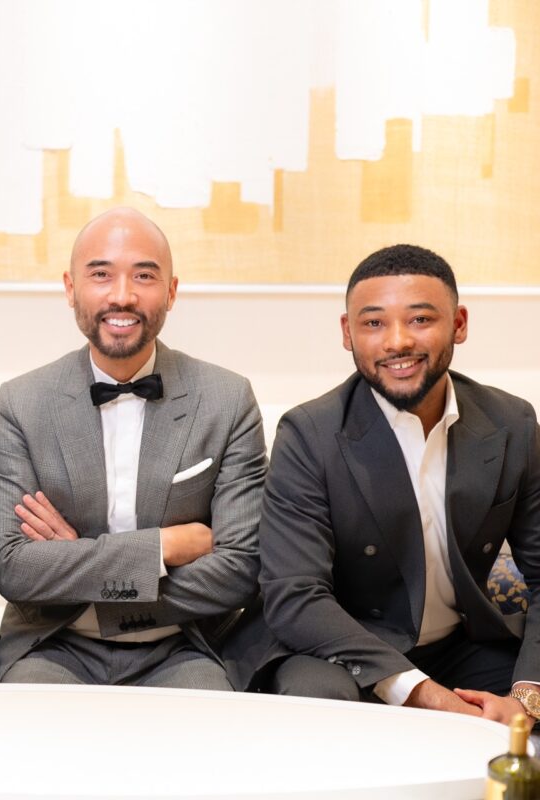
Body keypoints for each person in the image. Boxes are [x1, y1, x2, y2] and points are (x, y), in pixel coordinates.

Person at [223, 244, 539, 724]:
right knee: (320, 702)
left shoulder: (512, 422)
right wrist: (430, 698)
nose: (397, 341)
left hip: (459, 645)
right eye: (373, 323)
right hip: (337, 649)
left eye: (420, 319)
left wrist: (526, 699)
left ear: (459, 324)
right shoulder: (308, 433)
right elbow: (295, 596)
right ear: (347, 333)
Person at [0, 207, 267, 689]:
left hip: (184, 645)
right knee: (28, 720)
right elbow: (12, 567)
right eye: (100, 275)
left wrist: (79, 566)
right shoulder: (22, 403)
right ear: (71, 289)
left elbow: (240, 569)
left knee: (209, 723)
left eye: (144, 276)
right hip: (53, 642)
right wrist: (162, 548)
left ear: (171, 291)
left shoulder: (227, 399)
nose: (122, 295)